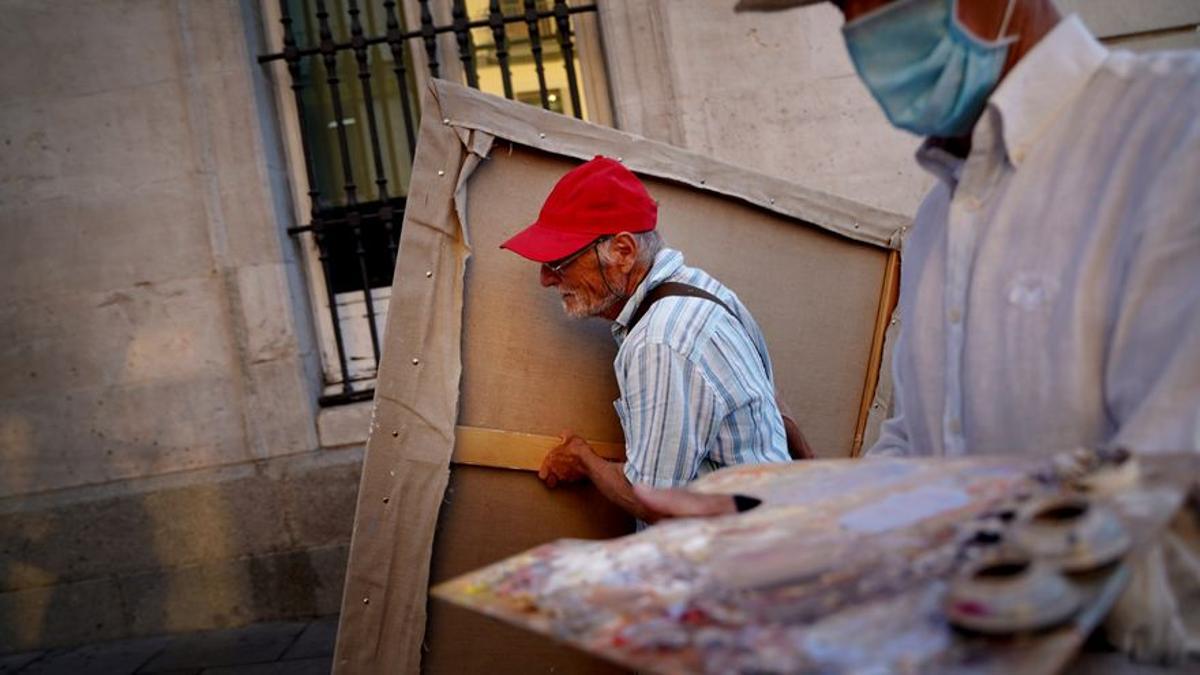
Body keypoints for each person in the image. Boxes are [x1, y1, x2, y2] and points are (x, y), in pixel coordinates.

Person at [639, 0, 1200, 662]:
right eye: (842, 7)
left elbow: (1169, 520)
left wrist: (851, 544)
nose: (857, 30)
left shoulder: (1175, 136)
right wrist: (792, 529)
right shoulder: (936, 220)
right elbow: (914, 449)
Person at [500, 156, 799, 523]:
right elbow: (775, 407)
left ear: (623, 252)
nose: (546, 279)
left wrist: (584, 460)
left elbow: (656, 503)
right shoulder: (703, 290)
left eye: (558, 262)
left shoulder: (660, 342)